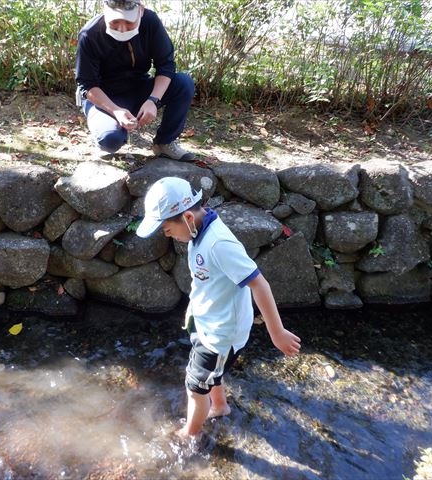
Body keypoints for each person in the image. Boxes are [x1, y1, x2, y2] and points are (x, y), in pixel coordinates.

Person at [136, 177, 302, 441]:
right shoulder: (199, 230)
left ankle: (189, 435)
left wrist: (277, 332)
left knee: (194, 388)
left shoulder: (219, 244)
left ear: (188, 217)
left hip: (220, 335)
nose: (167, 235)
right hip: (207, 321)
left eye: (167, 229)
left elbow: (259, 284)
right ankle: (220, 406)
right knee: (212, 374)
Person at [75, 0, 196, 161]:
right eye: (115, 22)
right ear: (104, 12)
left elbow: (166, 65)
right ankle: (110, 130)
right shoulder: (89, 35)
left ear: (141, 11)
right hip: (104, 96)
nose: (122, 29)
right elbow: (87, 85)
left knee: (183, 83)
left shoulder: (150, 22)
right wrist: (116, 111)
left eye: (129, 22)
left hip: (139, 86)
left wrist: (153, 100)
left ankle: (164, 143)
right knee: (109, 140)